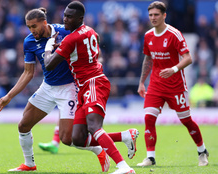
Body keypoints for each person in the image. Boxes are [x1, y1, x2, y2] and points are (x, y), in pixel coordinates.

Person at [0, 7, 111, 172]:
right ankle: (29, 164)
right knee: (23, 126)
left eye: (34, 26)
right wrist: (9, 96)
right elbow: (28, 72)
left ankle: (99, 149)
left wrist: (97, 58)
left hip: (69, 88)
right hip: (47, 87)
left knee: (68, 139)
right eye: (28, 27)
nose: (32, 31)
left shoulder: (64, 31)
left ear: (44, 23)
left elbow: (91, 36)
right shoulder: (29, 42)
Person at [44, 1, 138, 174]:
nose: (65, 19)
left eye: (69, 17)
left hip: (93, 83)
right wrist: (64, 50)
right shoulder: (90, 31)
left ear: (80, 18)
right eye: (64, 15)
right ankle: (125, 136)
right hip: (84, 86)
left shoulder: (71, 38)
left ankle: (124, 167)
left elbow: (49, 64)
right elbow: (87, 52)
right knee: (78, 138)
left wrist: (49, 48)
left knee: (94, 127)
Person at [136, 1, 209, 167]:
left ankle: (202, 151)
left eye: (156, 15)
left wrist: (174, 69)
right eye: (150, 15)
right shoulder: (148, 35)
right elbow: (148, 59)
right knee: (149, 118)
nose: (153, 18)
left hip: (175, 85)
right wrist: (141, 83)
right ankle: (150, 157)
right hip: (155, 84)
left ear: (164, 16)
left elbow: (188, 58)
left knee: (186, 121)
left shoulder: (174, 34)